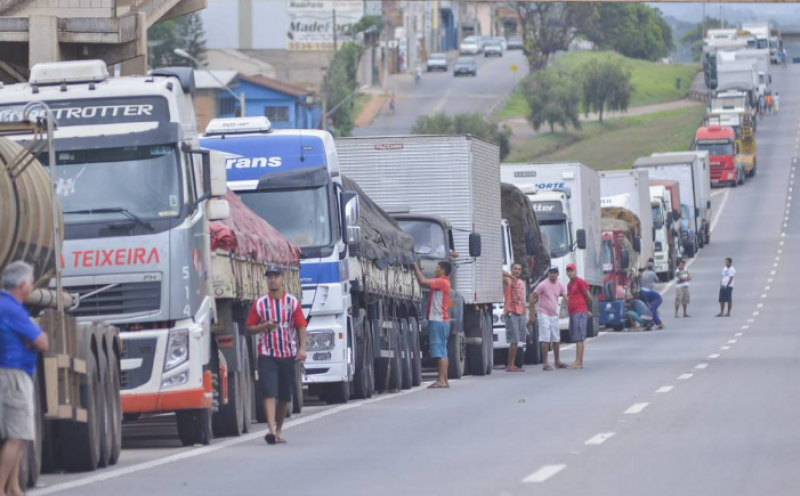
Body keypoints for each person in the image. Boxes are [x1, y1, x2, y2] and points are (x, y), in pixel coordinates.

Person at [0, 261, 49, 495]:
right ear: (21, 285)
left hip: (11, 373)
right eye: (30, 282)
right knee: (18, 434)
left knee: (15, 433)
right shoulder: (13, 309)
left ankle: (13, 487)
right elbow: (42, 342)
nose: (32, 286)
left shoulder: (6, 306)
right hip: (14, 376)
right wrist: (31, 340)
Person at [246, 266, 307, 445]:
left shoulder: (292, 302)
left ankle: (279, 428)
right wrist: (263, 326)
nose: (272, 280)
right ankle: (271, 430)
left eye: (276, 276)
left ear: (282, 279)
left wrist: (302, 349)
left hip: (287, 354)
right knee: (268, 391)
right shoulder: (260, 304)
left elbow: (301, 326)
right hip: (267, 354)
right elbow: (249, 328)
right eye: (269, 277)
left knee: (284, 396)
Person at [412, 261, 452, 388]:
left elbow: (422, 282)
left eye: (437, 268)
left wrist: (415, 268)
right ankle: (444, 380)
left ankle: (441, 380)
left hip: (438, 321)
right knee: (443, 352)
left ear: (443, 271)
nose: (435, 270)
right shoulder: (444, 282)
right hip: (442, 321)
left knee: (439, 352)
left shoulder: (441, 282)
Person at [532, 267, 568, 371]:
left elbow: (566, 297)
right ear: (548, 274)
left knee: (556, 338)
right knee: (545, 338)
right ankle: (545, 363)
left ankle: (557, 361)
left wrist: (572, 307)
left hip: (554, 315)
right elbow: (532, 297)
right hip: (543, 313)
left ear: (558, 274)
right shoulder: (543, 284)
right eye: (551, 272)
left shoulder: (560, 284)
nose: (552, 274)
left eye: (554, 272)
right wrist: (531, 314)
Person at [565, 263, 592, 369]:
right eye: (568, 271)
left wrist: (584, 309)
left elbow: (589, 297)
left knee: (580, 337)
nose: (570, 272)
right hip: (573, 312)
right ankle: (577, 361)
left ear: (575, 271)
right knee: (576, 337)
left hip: (580, 311)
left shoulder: (580, 281)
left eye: (571, 270)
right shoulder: (569, 284)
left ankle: (578, 361)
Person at [503, 263, 527, 372]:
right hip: (511, 312)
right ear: (511, 269)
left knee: (519, 340)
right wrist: (510, 276)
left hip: (521, 313)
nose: (517, 271)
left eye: (519, 269)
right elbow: (497, 272)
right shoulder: (507, 280)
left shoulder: (521, 282)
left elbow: (522, 298)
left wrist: (525, 313)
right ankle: (510, 365)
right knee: (514, 339)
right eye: (515, 269)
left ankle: (513, 364)